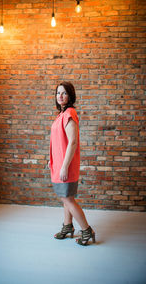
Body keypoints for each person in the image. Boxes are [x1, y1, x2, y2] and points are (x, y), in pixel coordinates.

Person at [48, 81, 95, 246]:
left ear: (70, 96)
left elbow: (73, 142)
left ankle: (87, 230)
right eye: (58, 93)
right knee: (65, 197)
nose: (60, 96)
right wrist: (52, 159)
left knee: (67, 198)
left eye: (64, 93)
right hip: (60, 163)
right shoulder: (61, 114)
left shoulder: (69, 113)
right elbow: (60, 141)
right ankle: (68, 227)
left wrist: (64, 166)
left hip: (65, 165)